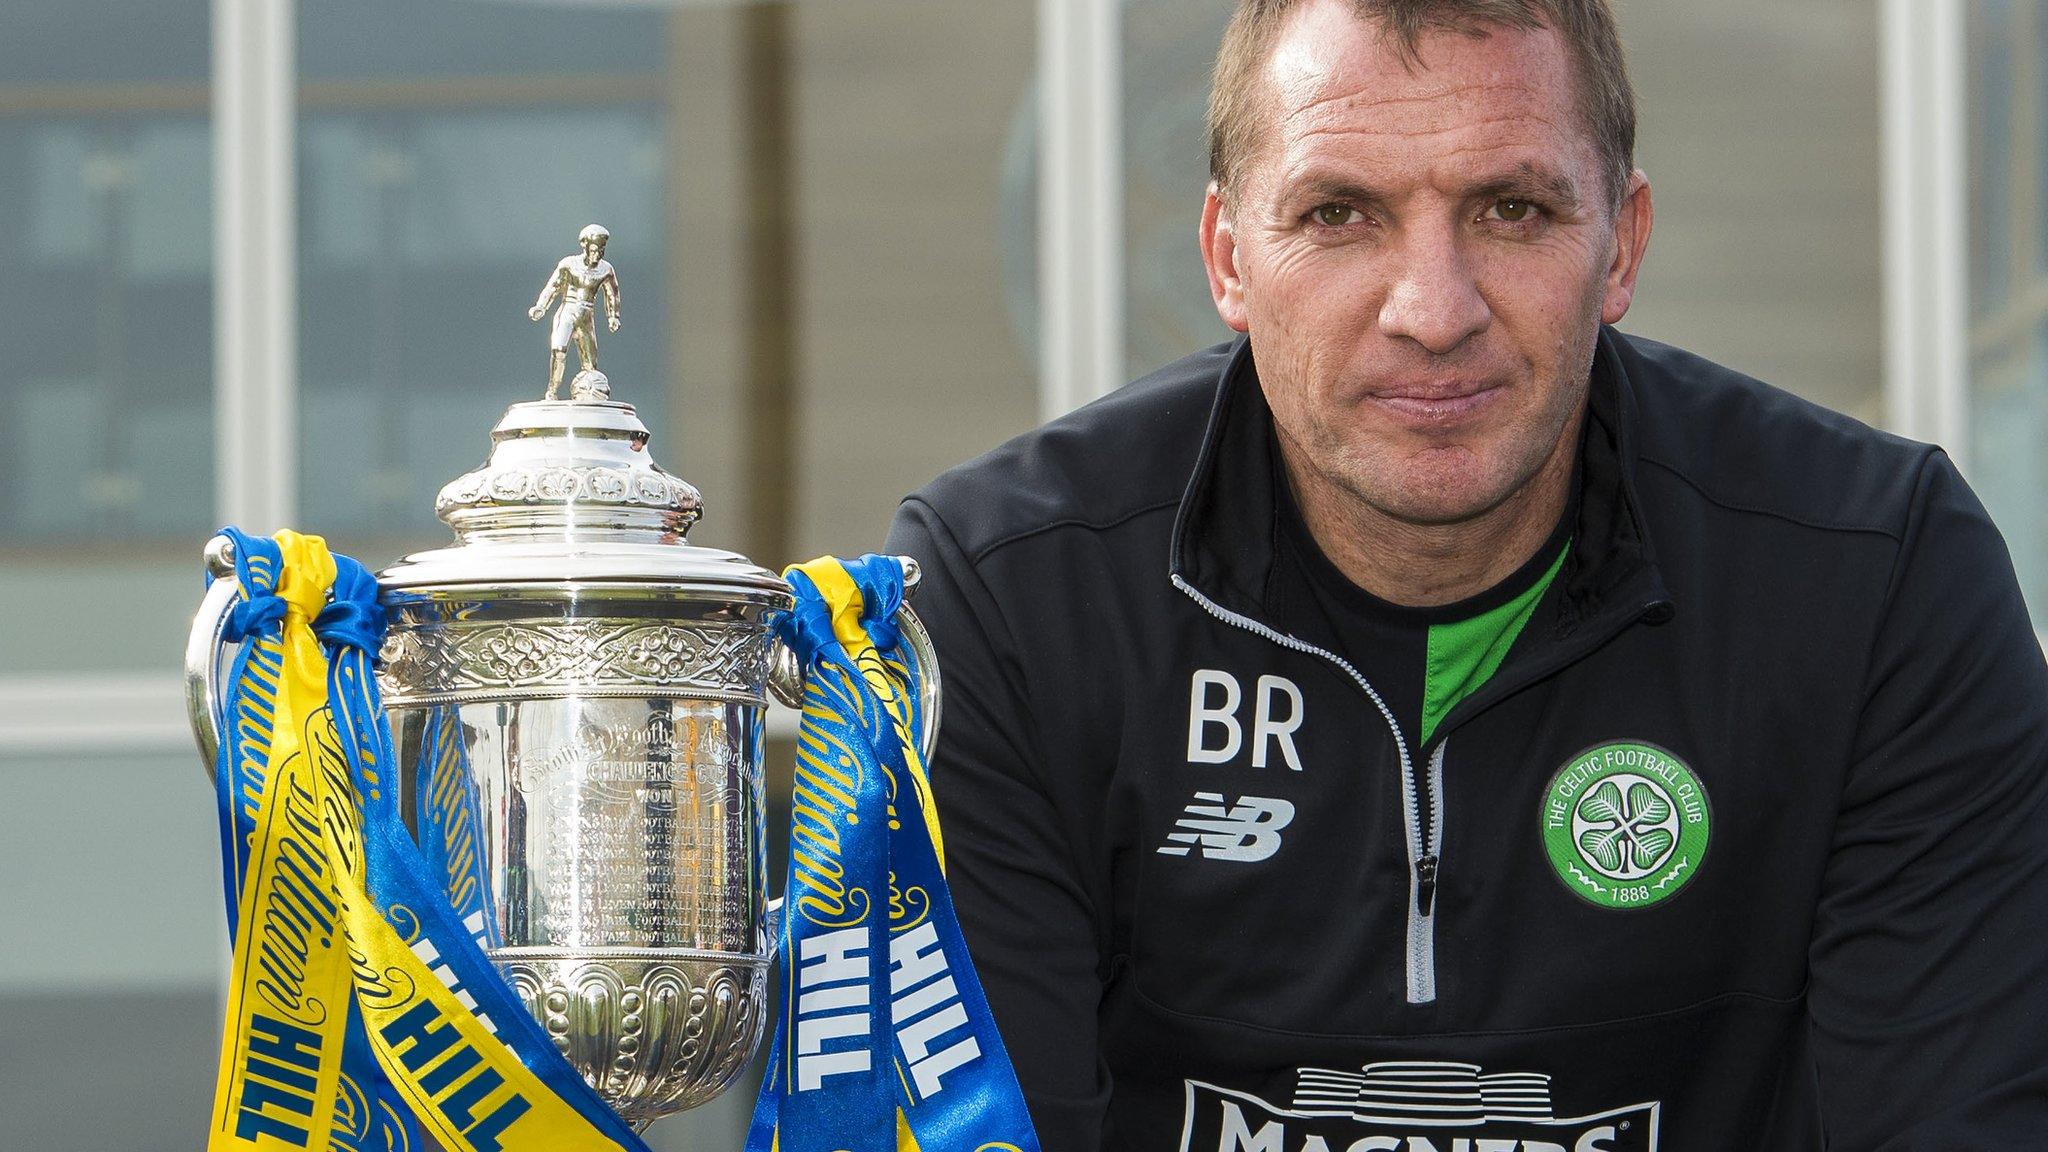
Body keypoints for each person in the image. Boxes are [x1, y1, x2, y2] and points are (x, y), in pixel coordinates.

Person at [884, 1, 2048, 1149]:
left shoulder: (1876, 577)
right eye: (1338, 214)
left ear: (1620, 246)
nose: (1432, 312)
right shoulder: (1003, 601)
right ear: (1227, 258)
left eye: (1511, 209)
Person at [528, 223, 622, 400]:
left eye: (601, 251)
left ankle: (590, 396)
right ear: (584, 246)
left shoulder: (606, 269)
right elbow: (553, 287)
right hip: (568, 312)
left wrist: (613, 316)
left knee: (590, 365)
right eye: (593, 250)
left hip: (587, 316)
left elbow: (612, 294)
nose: (597, 255)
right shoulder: (569, 265)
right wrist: (541, 306)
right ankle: (552, 390)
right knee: (559, 350)